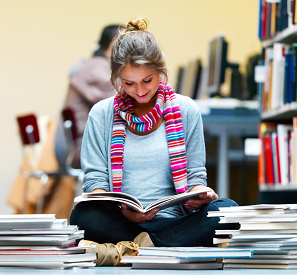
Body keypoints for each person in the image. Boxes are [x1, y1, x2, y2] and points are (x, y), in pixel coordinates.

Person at [70, 18, 238, 250]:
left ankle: (140, 247)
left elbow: (195, 178)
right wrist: (122, 211)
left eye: (147, 80)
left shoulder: (186, 109)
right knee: (84, 215)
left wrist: (201, 195)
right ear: (117, 79)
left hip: (176, 221)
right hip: (122, 223)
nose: (139, 91)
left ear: (160, 71)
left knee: (227, 210)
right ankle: (162, 246)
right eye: (129, 83)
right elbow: (95, 183)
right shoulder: (102, 114)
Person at [54, 24, 123, 169]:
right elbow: (124, 104)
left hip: (75, 146)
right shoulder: (97, 70)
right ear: (113, 45)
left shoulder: (94, 66)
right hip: (80, 150)